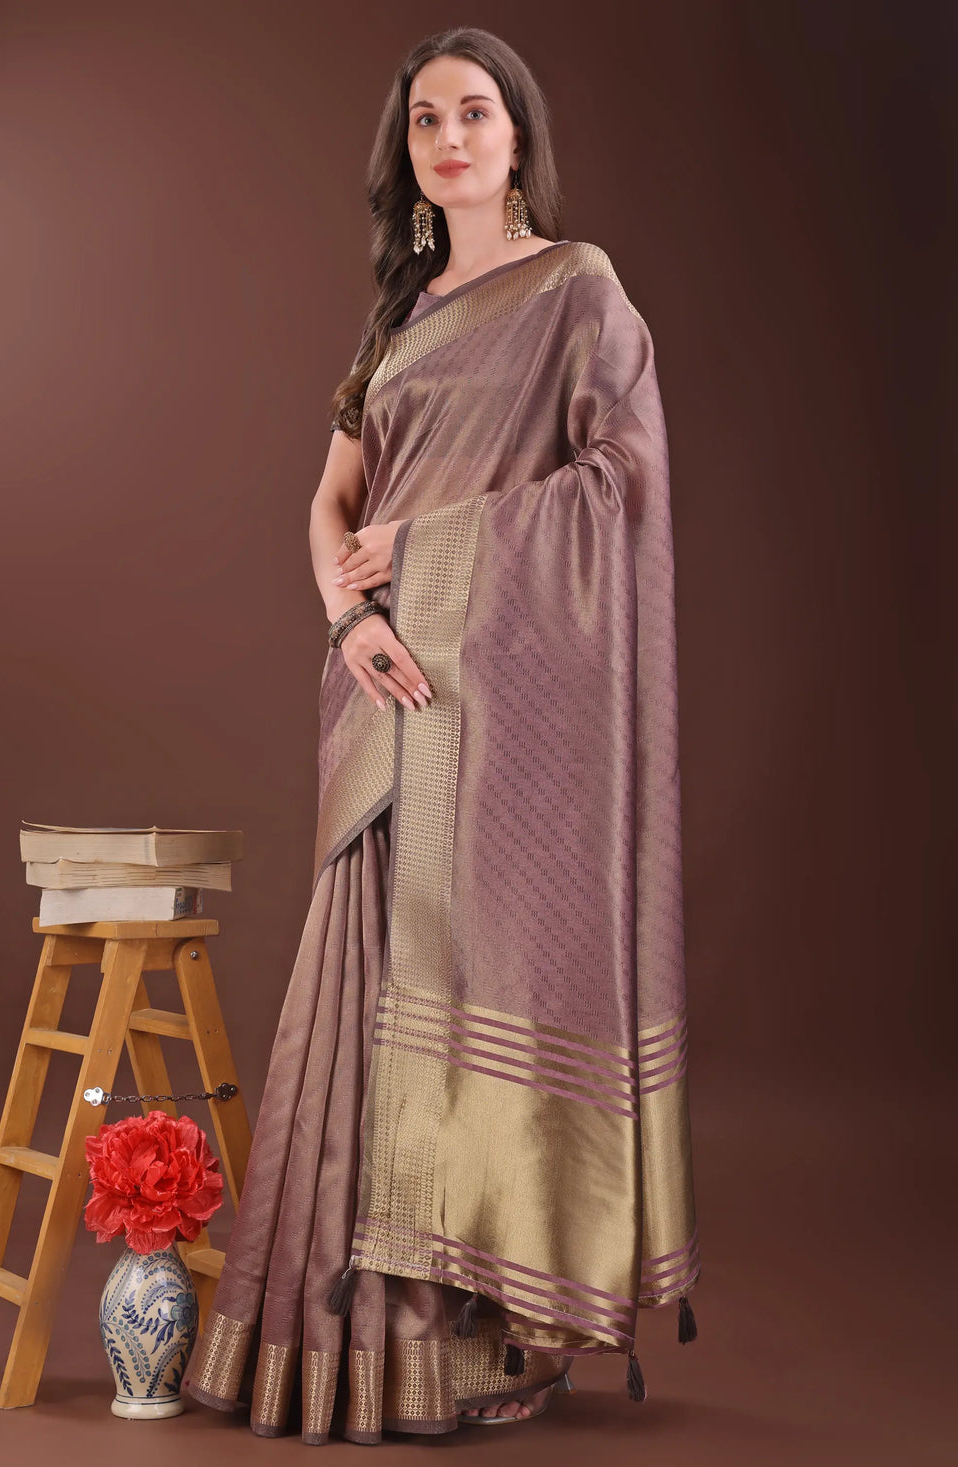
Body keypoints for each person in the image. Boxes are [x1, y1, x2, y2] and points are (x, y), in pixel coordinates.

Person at [182, 25, 699, 1443]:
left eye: (475, 113)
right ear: (406, 154)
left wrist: (429, 545)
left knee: (489, 985)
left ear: (518, 137)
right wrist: (350, 616)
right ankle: (364, 1348)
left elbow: (623, 490)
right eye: (426, 120)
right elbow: (329, 504)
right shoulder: (399, 321)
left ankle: (497, 1326)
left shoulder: (577, 288)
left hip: (512, 708)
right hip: (388, 693)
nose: (451, 138)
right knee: (372, 992)